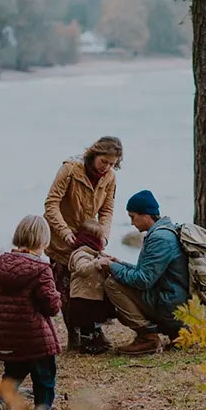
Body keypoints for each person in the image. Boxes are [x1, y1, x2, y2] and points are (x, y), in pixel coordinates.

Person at [0, 215, 63, 410]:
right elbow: (52, 307)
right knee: (44, 379)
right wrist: (58, 294)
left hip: (8, 336)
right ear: (44, 243)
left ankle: (1, 404)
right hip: (36, 338)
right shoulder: (41, 269)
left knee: (12, 374)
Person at [43, 136, 121, 348]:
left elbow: (107, 209)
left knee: (89, 285)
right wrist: (64, 231)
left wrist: (103, 235)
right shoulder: (70, 169)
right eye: (103, 161)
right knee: (65, 290)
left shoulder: (110, 177)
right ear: (94, 154)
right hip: (61, 241)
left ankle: (90, 331)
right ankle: (73, 336)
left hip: (89, 240)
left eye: (112, 164)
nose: (106, 167)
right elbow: (51, 203)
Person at [98, 190, 190, 356]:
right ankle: (174, 333)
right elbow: (148, 271)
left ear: (146, 215)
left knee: (112, 284)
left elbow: (143, 280)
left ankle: (148, 338)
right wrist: (118, 262)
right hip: (174, 300)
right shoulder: (164, 231)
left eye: (133, 216)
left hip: (169, 306)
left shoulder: (159, 238)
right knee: (117, 276)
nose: (132, 223)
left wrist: (111, 268)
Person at [65, 219, 116, 354]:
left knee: (95, 322)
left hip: (94, 295)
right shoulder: (80, 254)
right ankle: (87, 344)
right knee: (86, 323)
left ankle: (97, 340)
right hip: (82, 297)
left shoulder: (94, 255)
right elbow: (82, 269)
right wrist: (97, 263)